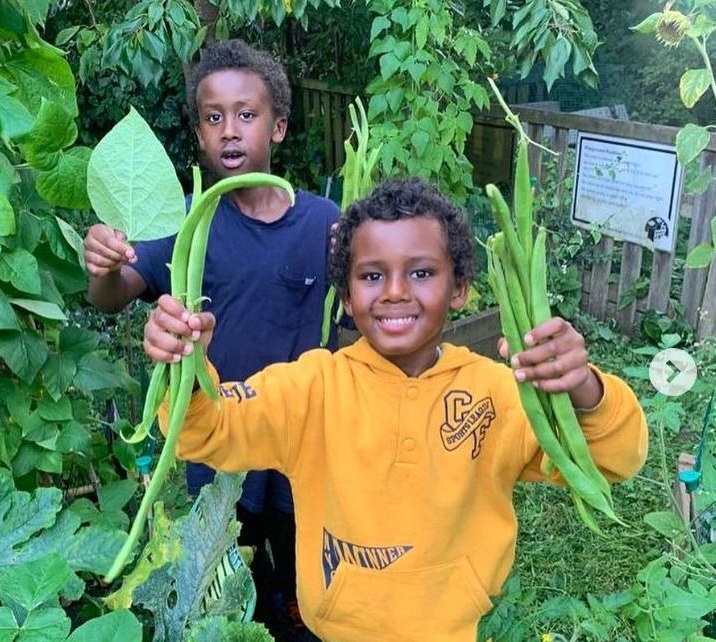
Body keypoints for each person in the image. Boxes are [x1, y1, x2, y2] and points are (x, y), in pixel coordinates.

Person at [142, 177, 649, 642]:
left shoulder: (496, 393)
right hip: (335, 631)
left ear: (460, 288)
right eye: (371, 275)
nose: (395, 292)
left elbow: (614, 460)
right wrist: (186, 365)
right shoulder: (312, 387)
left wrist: (582, 388)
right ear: (344, 292)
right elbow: (208, 433)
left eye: (422, 271)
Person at [83, 39, 339, 639]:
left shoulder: (326, 221)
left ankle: (295, 616)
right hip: (219, 435)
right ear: (199, 134)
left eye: (246, 115)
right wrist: (101, 268)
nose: (230, 130)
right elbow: (118, 291)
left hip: (306, 436)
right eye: (213, 117)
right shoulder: (186, 225)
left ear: (278, 127)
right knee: (226, 561)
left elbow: (359, 316)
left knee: (303, 552)